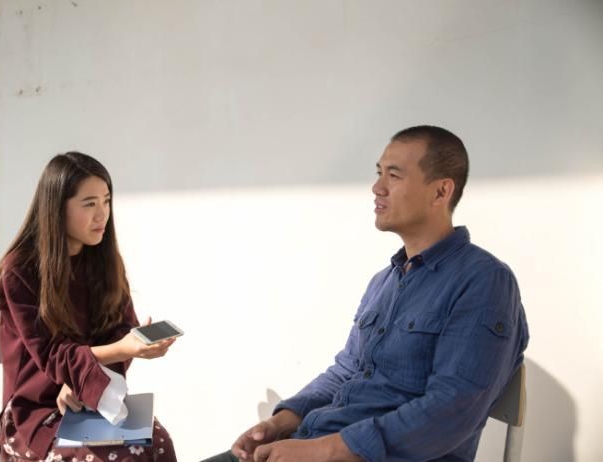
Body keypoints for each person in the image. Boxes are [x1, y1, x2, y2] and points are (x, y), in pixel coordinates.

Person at [203, 125, 529, 462]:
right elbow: (347, 371)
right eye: (379, 173)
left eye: (394, 175)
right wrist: (281, 422)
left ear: (440, 191)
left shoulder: (484, 281)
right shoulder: (384, 282)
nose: (377, 187)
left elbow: (451, 410)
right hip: (319, 441)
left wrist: (321, 450)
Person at [0, 152, 177, 462]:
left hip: (90, 398)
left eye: (106, 201)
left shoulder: (103, 261)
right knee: (120, 456)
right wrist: (121, 349)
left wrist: (84, 381)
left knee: (158, 442)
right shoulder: (20, 270)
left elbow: (120, 328)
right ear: (56, 208)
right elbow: (52, 354)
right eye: (89, 204)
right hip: (33, 411)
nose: (102, 215)